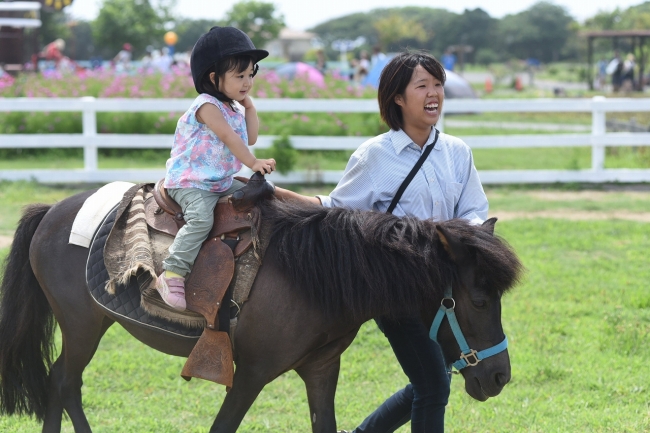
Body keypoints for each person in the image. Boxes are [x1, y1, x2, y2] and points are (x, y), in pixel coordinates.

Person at [274, 50, 489, 432]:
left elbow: (474, 210)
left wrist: (462, 235)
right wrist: (280, 195)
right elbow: (338, 209)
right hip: (395, 291)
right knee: (434, 385)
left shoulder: (457, 152)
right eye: (421, 85)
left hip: (444, 293)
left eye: (437, 84)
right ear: (397, 98)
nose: (433, 93)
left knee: (429, 382)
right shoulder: (375, 156)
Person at [156, 26, 276, 310]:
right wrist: (253, 163)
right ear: (213, 77)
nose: (247, 82)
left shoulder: (234, 106)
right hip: (191, 182)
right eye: (239, 76)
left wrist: (250, 109)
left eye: (250, 75)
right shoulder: (206, 106)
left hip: (219, 180)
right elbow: (229, 138)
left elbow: (251, 137)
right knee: (201, 220)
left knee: (263, 196)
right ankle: (172, 271)